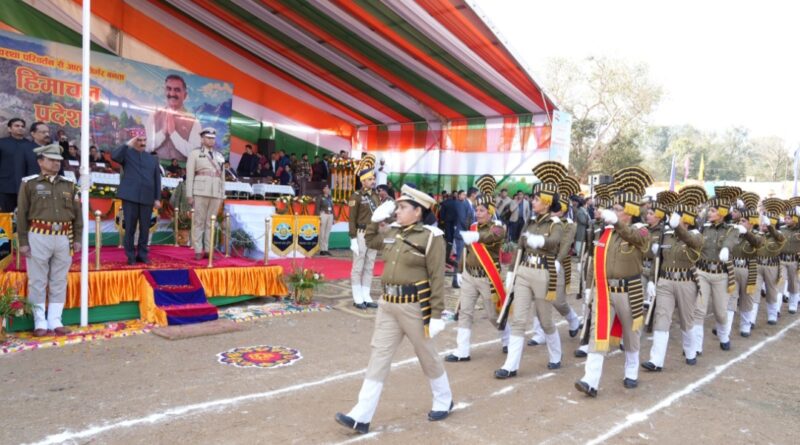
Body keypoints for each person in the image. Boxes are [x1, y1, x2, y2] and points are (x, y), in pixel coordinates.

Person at [335, 184, 453, 434]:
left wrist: (436, 314)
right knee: (378, 355)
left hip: (414, 306)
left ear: (418, 212)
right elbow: (371, 241)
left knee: (427, 355)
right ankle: (361, 415)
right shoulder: (395, 231)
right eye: (397, 207)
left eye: (403, 207)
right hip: (388, 304)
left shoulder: (431, 237)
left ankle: (444, 399)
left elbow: (437, 278)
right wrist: (373, 221)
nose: (397, 211)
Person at [575, 166, 652, 397]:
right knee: (598, 333)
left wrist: (617, 223)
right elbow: (595, 260)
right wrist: (589, 287)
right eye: (614, 209)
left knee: (630, 334)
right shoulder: (606, 232)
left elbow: (637, 239)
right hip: (605, 290)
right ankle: (590, 380)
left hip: (629, 291)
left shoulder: (642, 231)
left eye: (619, 209)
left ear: (630, 212)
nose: (614, 212)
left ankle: (631, 371)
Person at [496, 161, 566, 379]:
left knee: (545, 320)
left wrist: (539, 241)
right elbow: (519, 247)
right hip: (524, 271)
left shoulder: (555, 223)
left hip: (544, 273)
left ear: (546, 202)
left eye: (536, 199)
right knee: (518, 319)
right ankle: (510, 365)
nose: (532, 201)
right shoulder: (530, 222)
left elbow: (554, 242)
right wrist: (511, 272)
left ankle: (556, 355)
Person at [17, 143, 83, 336]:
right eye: (52, 160)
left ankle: (55, 320)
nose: (56, 164)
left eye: (58, 161)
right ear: (40, 161)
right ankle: (40, 321)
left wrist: (78, 237)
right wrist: (23, 242)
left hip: (64, 236)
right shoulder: (29, 183)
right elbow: (22, 214)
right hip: (39, 234)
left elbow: (77, 213)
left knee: (59, 279)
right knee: (37, 280)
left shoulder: (69, 184)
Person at [446, 175, 510, 361]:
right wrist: (459, 272)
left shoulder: (498, 227)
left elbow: (491, 237)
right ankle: (462, 351)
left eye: (481, 210)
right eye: (476, 209)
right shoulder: (473, 226)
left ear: (490, 212)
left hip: (487, 277)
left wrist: (476, 237)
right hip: (470, 276)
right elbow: (465, 252)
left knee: (493, 315)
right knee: (465, 312)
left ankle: (507, 338)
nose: (477, 213)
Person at [642, 186, 705, 372]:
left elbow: (691, 242)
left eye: (679, 216)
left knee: (687, 320)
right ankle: (656, 360)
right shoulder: (666, 234)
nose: (674, 218)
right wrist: (652, 279)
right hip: (665, 281)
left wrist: (678, 227)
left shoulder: (696, 236)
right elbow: (658, 259)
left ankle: (690, 351)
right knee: (661, 319)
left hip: (686, 282)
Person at [692, 188, 739, 355]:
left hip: (721, 275)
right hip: (702, 272)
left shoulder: (732, 229)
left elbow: (730, 241)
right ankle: (696, 346)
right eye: (709, 210)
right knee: (699, 310)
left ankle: (724, 336)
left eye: (712, 210)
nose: (709, 213)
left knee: (720, 312)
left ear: (722, 212)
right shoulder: (704, 228)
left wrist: (726, 248)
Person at [112, 136, 163, 265]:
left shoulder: (152, 159)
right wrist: (127, 144)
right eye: (139, 140)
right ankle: (130, 256)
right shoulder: (127, 154)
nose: (142, 143)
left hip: (147, 197)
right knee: (130, 228)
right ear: (134, 141)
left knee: (145, 228)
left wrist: (157, 198)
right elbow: (114, 156)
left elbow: (157, 180)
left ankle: (142, 254)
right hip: (130, 196)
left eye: (144, 140)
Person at [185, 128, 225, 260]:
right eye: (208, 138)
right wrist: (189, 195)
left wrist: (222, 194)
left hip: (215, 192)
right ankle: (198, 250)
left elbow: (222, 177)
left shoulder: (219, 156)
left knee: (211, 222)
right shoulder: (195, 154)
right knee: (199, 221)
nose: (211, 140)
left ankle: (208, 250)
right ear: (202, 139)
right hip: (200, 191)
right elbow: (190, 175)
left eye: (213, 138)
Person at [348, 153, 380, 309]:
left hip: (374, 234)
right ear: (363, 181)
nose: (373, 181)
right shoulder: (356, 196)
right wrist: (353, 238)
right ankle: (357, 297)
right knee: (358, 265)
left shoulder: (375, 196)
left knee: (370, 265)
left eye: (373, 178)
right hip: (361, 234)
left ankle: (366, 295)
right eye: (370, 179)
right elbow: (352, 219)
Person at [730, 193, 764, 337]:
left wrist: (747, 234)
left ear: (751, 222)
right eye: (740, 220)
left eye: (744, 221)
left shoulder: (758, 235)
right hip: (733, 268)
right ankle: (725, 328)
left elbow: (757, 243)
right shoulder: (735, 233)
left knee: (747, 300)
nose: (740, 223)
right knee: (731, 299)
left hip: (749, 270)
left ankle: (745, 326)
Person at [145, 74, 202, 162]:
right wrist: (163, 132)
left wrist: (173, 134)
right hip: (155, 169)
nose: (172, 94)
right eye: (169, 89)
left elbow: (195, 154)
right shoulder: (153, 116)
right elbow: (146, 147)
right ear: (165, 92)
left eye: (177, 90)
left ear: (185, 95)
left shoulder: (194, 122)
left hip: (182, 170)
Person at [753, 198, 787, 327]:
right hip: (757, 265)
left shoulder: (779, 236)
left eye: (765, 223)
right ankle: (751, 320)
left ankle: (772, 315)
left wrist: (770, 227)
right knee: (754, 293)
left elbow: (779, 237)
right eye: (761, 223)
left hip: (771, 266)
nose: (762, 225)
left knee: (772, 292)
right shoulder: (757, 234)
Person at [0, 118, 38, 212]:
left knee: (24, 215)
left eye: (22, 126)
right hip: (5, 187)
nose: (20, 128)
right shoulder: (2, 143)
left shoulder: (31, 145)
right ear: (9, 129)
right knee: (6, 216)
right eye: (17, 126)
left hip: (26, 187)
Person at [779, 198, 800, 314]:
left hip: (794, 261)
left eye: (789, 218)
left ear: (795, 219)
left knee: (793, 283)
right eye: (785, 218)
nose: (786, 220)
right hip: (782, 260)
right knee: (780, 282)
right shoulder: (782, 229)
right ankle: (777, 308)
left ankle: (793, 304)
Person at [315, 184, 334, 256]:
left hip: (330, 215)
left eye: (328, 188)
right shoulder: (320, 197)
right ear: (323, 190)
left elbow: (332, 207)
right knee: (322, 232)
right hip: (323, 214)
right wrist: (318, 217)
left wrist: (334, 217)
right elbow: (317, 208)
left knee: (327, 233)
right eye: (326, 188)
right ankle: (322, 249)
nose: (327, 190)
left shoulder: (330, 197)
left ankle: (326, 249)